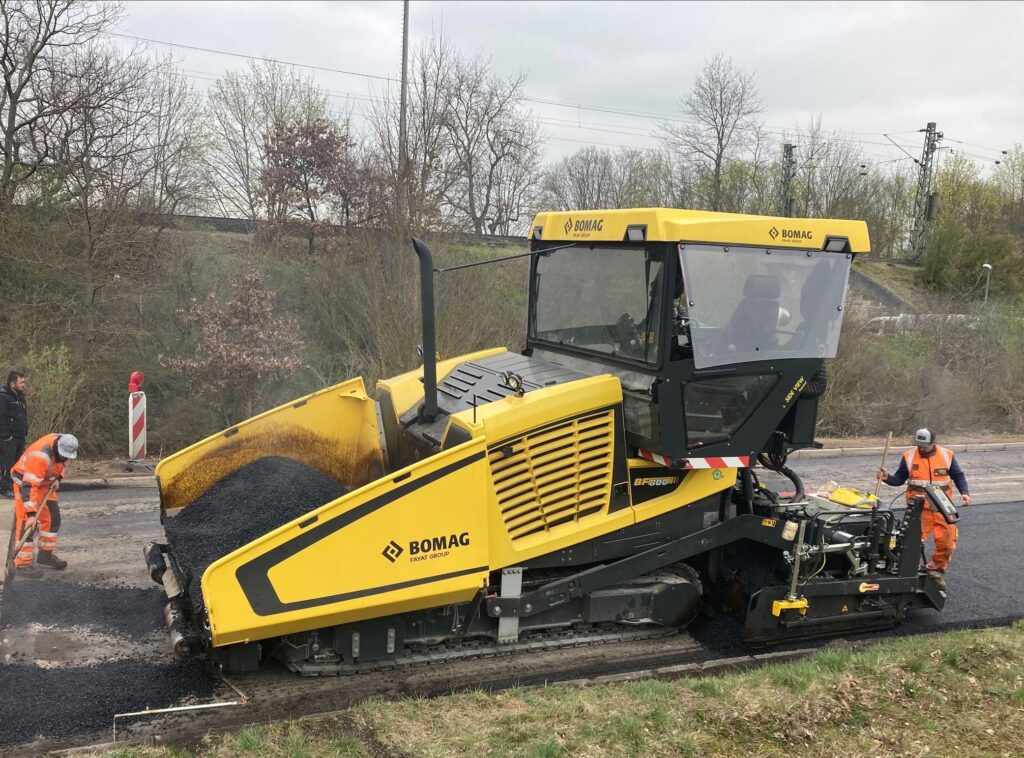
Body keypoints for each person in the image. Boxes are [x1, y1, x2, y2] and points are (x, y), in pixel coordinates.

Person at [877, 428, 970, 591]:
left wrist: (965, 493)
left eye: (925, 446)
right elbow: (899, 479)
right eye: (919, 445)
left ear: (934, 443)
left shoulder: (947, 455)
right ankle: (908, 573)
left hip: (942, 508)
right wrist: (887, 478)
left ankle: (935, 570)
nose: (921, 448)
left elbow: (958, 475)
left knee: (947, 543)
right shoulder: (909, 456)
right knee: (911, 544)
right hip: (918, 510)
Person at [10, 432, 79, 578]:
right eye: (63, 455)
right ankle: (22, 563)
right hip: (25, 484)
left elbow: (62, 463)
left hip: (45, 484)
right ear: (57, 447)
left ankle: (45, 555)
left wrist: (59, 478)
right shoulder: (40, 457)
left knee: (53, 519)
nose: (65, 458)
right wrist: (31, 514)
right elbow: (29, 486)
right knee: (27, 525)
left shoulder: (64, 447)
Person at [0, 371, 28, 498]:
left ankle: (14, 487)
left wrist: (25, 431)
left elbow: (23, 416)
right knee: (8, 463)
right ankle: (5, 488)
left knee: (18, 464)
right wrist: (6, 436)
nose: (24, 384)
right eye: (21, 382)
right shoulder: (3, 396)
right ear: (12, 383)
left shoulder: (20, 397)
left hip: (20, 437)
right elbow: (1, 417)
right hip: (9, 438)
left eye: (24, 382)